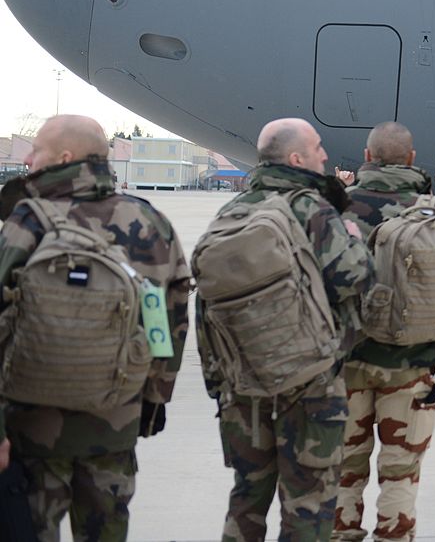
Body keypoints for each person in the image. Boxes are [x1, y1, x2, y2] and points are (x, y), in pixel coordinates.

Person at [0, 115, 189, 541]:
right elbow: (167, 319)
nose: (28, 159)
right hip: (114, 420)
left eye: (37, 151)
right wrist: (154, 399)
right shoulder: (148, 222)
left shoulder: (27, 220)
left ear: (64, 158)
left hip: (32, 427)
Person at [201, 117, 373, 542]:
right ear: (296, 158)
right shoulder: (313, 209)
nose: (325, 155)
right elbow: (353, 276)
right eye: (317, 148)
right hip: (310, 382)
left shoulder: (232, 211)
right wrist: (352, 236)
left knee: (247, 494)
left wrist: (217, 378)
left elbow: (208, 300)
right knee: (309, 501)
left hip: (243, 382)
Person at [335, 122, 435, 542]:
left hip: (345, 365)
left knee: (343, 471)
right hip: (409, 364)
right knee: (400, 475)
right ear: (412, 159)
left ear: (366, 154)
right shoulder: (431, 210)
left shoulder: (336, 208)